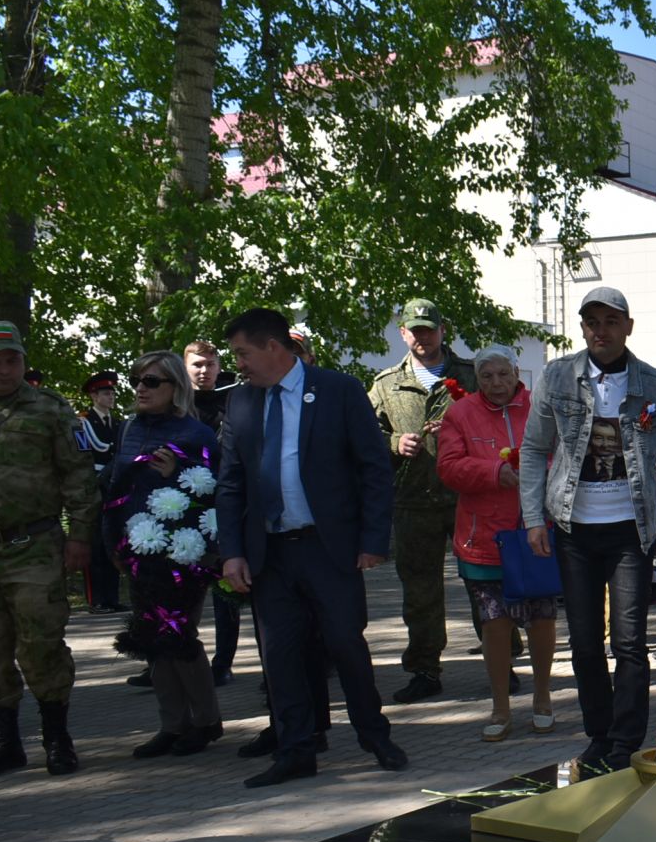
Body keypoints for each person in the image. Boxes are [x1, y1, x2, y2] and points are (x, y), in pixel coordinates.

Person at [215, 307, 408, 788]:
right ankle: (296, 748)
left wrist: (372, 539)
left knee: (345, 644)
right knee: (278, 654)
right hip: (270, 552)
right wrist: (232, 551)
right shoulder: (240, 403)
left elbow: (373, 469)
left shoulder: (338, 390)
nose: (237, 363)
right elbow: (230, 484)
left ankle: (374, 735)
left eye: (242, 353)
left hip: (329, 547)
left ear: (273, 347)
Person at [521, 286, 656, 774]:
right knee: (583, 642)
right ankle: (598, 737)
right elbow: (535, 449)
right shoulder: (557, 377)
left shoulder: (655, 385)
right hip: (574, 528)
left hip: (631, 531)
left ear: (628, 327)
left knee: (630, 643)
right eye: (592, 321)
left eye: (611, 321)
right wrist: (534, 516)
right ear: (582, 328)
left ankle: (624, 742)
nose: (601, 330)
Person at [0, 320, 98, 780]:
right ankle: (5, 741)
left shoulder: (50, 409)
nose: (3, 370)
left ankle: (57, 736)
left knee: (42, 641)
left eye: (12, 360)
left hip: (33, 543)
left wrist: (79, 536)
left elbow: (78, 476)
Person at [103, 352, 225, 758]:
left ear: (175, 388)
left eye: (152, 381)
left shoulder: (196, 433)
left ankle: (206, 722)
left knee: (177, 634)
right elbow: (115, 489)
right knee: (151, 637)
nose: (140, 387)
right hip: (137, 547)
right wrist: (111, 541)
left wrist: (177, 472)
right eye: (136, 379)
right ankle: (172, 725)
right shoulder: (128, 429)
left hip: (182, 553)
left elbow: (214, 491)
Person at [437, 343, 556, 739]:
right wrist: (492, 472)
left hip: (536, 531)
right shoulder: (460, 413)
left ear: (517, 373)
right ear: (476, 378)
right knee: (494, 624)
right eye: (486, 375)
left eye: (504, 374)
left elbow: (562, 456)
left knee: (542, 618)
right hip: (483, 537)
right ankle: (500, 708)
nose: (496, 383)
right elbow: (449, 467)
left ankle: (543, 697)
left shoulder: (541, 407)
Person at [368, 298, 478, 705]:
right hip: (413, 500)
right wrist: (396, 441)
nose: (423, 337)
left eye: (429, 329)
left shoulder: (471, 375)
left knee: (483, 584)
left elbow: (498, 421)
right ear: (403, 333)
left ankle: (501, 662)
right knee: (420, 591)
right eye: (415, 330)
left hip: (468, 497)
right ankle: (424, 669)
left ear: (442, 330)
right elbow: (364, 438)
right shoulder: (385, 384)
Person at [184, 340, 240, 686]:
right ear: (185, 367)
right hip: (181, 503)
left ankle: (224, 661)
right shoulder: (175, 401)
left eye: (210, 364)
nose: (204, 371)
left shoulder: (234, 399)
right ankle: (168, 651)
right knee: (178, 588)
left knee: (225, 591)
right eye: (197, 365)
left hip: (222, 503)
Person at [79, 371, 126, 614]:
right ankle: (96, 599)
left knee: (112, 541)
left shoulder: (117, 423)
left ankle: (111, 597)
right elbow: (94, 447)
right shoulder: (84, 421)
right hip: (95, 483)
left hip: (114, 482)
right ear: (94, 395)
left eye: (112, 393)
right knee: (96, 542)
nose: (111, 397)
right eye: (106, 393)